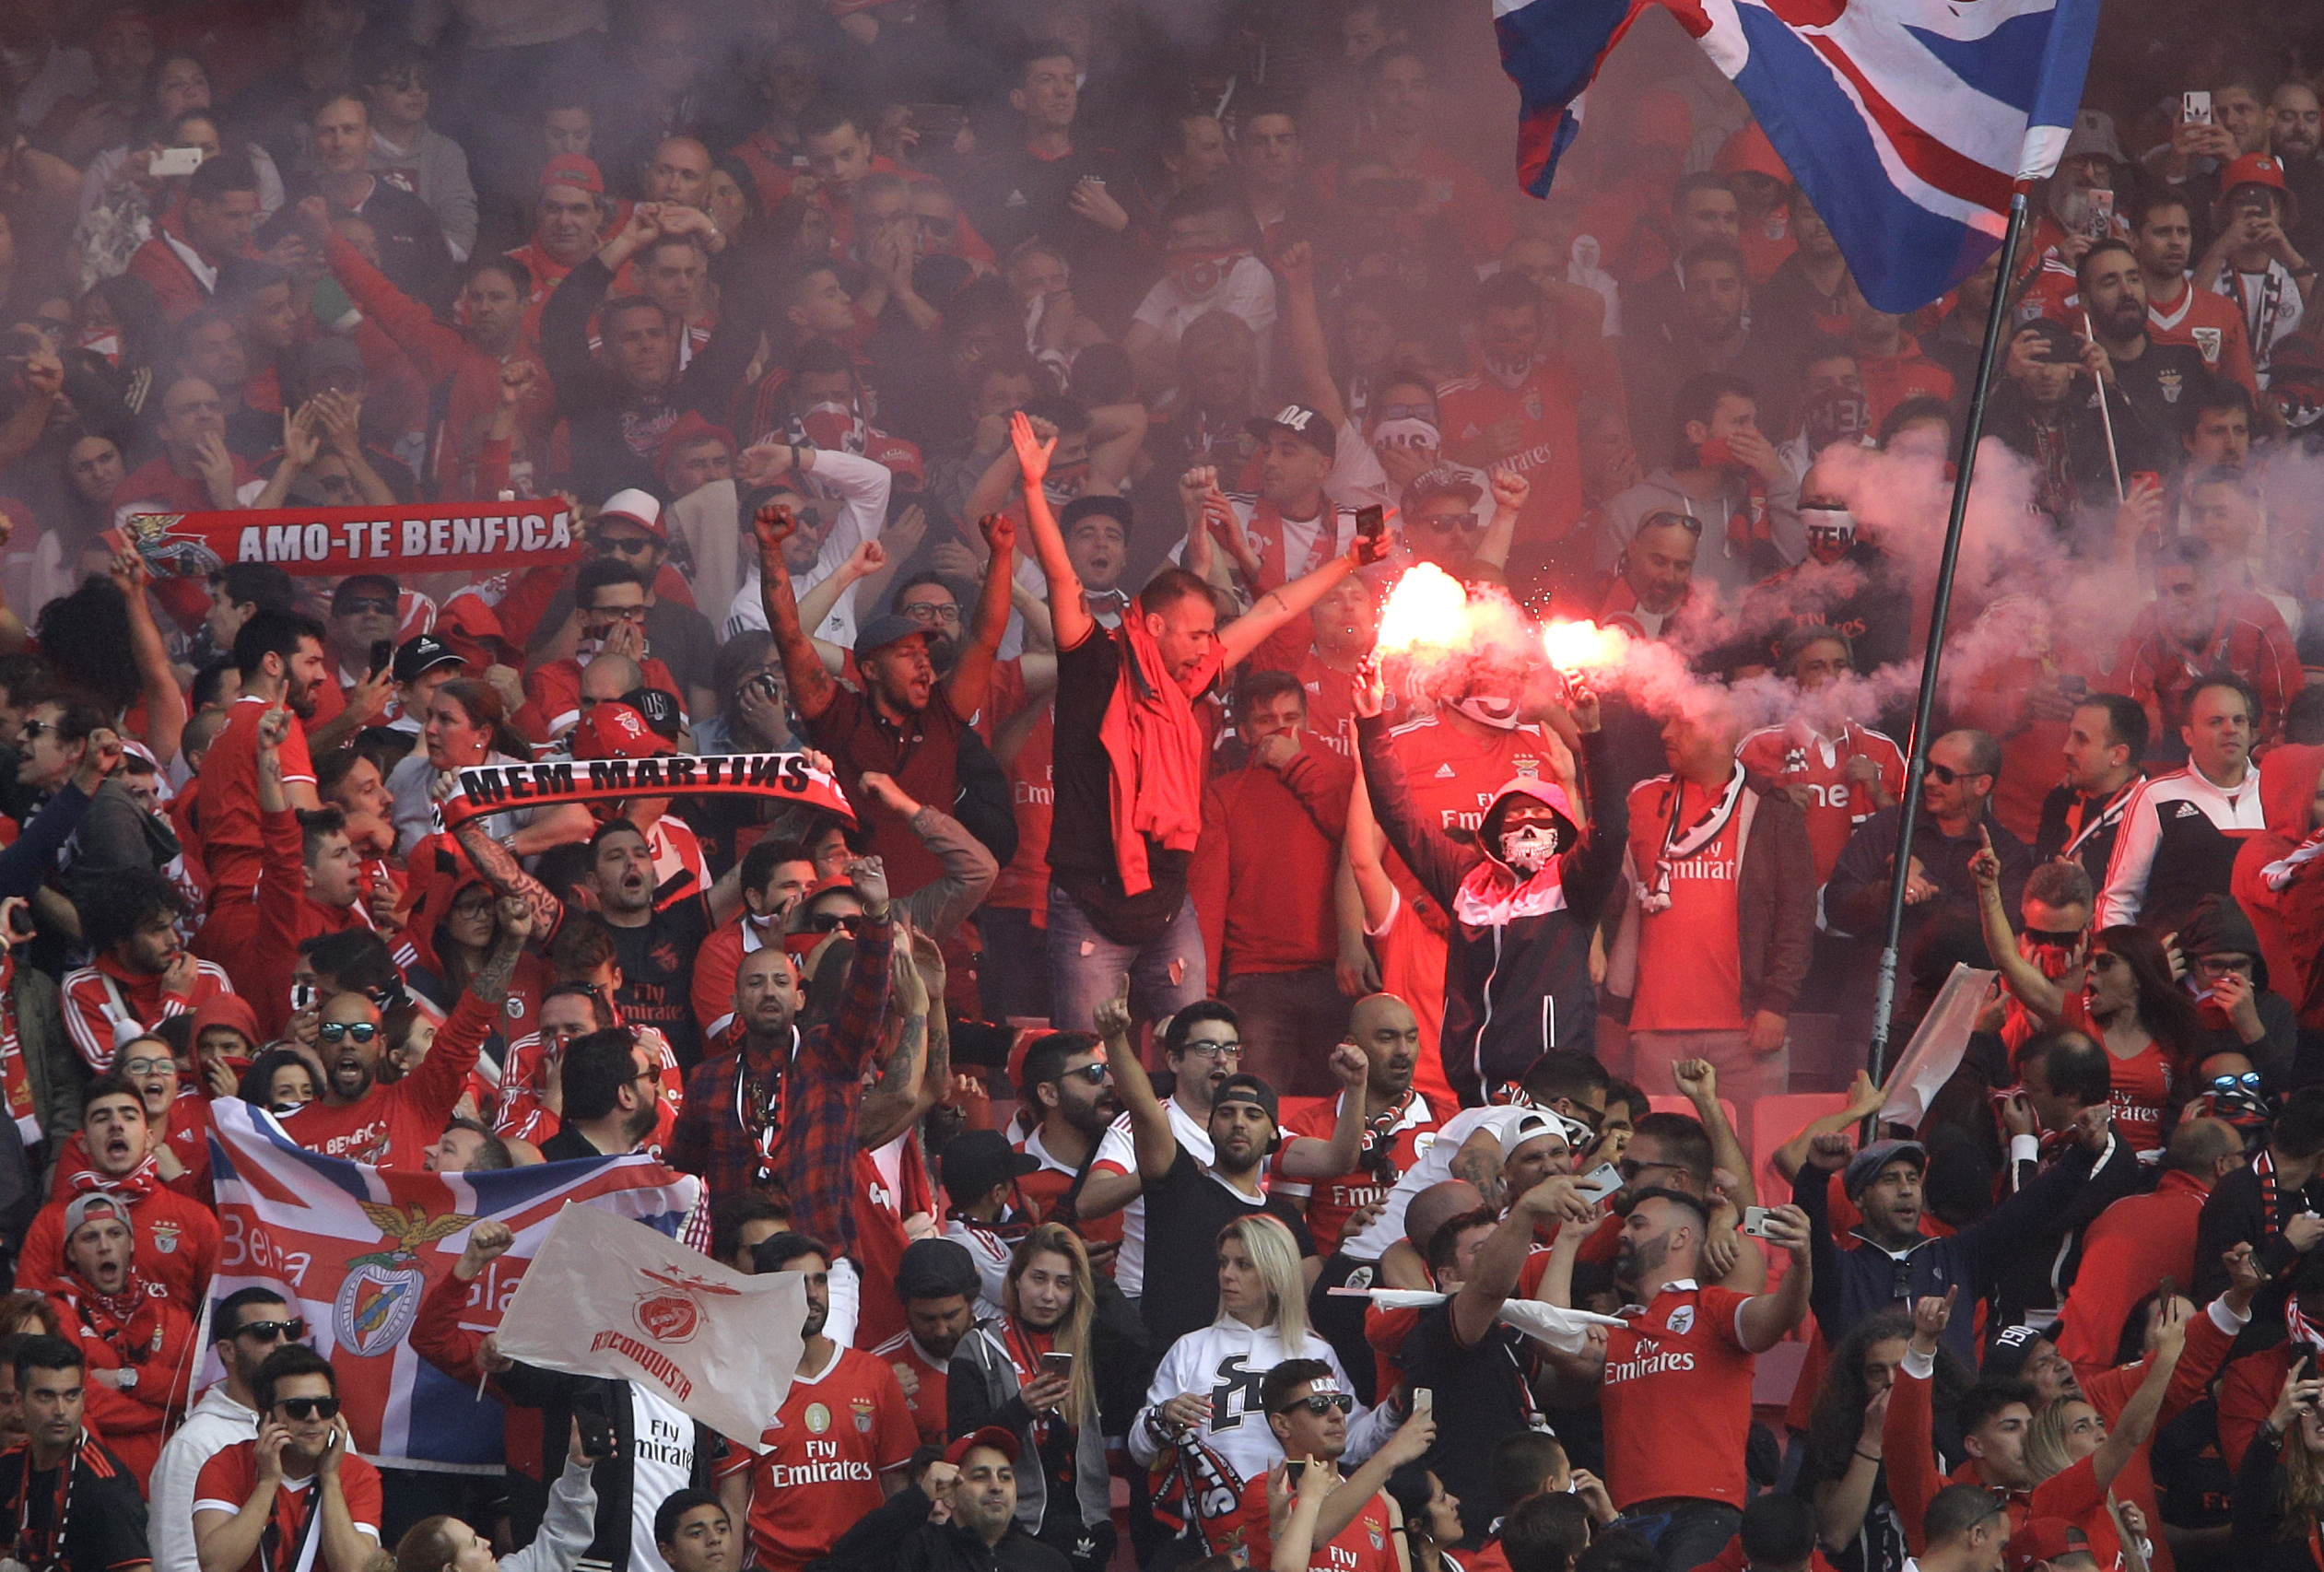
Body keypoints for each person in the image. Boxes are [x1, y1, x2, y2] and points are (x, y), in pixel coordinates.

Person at [1010, 410, 1388, 1034]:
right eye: (1197, 633)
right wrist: (1031, 489)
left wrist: (1349, 562)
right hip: (1088, 903)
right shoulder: (1094, 662)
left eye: (1212, 634)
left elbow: (1272, 608)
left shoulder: (1193, 674)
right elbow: (1059, 576)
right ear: (1153, 627)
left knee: (1204, 1053)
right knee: (1087, 1062)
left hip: (1166, 905)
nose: (1209, 646)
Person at [1352, 651, 1623, 1107]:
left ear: (1562, 833)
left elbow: (1611, 826)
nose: (1530, 826)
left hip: (1554, 1097)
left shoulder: (1573, 885)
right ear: (1494, 833)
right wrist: (1372, 721)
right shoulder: (1466, 882)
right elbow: (1399, 818)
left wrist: (1592, 735)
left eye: (1542, 817)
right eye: (1515, 818)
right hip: (1476, 1095)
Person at [1097, 974, 1363, 1344]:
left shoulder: (1282, 1217)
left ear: (1273, 1134)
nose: (1239, 1123)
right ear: (1208, 1129)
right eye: (1227, 1114)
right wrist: (1114, 1040)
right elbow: (1143, 1111)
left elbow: (1316, 1301)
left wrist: (1356, 1087)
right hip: (1168, 1358)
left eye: (1253, 1116)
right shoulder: (1179, 1183)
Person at [1130, 1214, 1395, 1557]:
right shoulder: (1190, 1348)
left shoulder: (1315, 1351)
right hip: (1207, 1540)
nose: (1227, 1274)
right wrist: (1164, 1416)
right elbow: (1139, 1449)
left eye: (1244, 1265)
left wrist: (1393, 1411)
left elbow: (1353, 1441)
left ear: (1275, 1274)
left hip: (1297, 1532)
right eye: (1223, 1262)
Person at [1609, 705, 1815, 1130]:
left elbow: (1797, 916)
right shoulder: (1643, 800)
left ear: (1719, 728)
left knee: (1747, 1159)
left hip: (1747, 1028)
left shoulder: (1772, 808)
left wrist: (1776, 1004)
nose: (1665, 733)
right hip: (1655, 1026)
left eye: (1681, 723)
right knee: (1663, 1161)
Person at [1190, 671, 1359, 1095]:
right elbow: (1209, 900)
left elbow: (1358, 841)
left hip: (1334, 976)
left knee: (1339, 1112)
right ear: (1244, 731)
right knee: (1255, 1113)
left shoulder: (1342, 775)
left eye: (1292, 716)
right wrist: (1208, 991)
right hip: (1255, 981)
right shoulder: (1225, 794)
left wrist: (1297, 766)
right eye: (1266, 720)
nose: (1283, 727)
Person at [720, 1233, 918, 1572]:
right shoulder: (742, 1384)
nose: (812, 1295)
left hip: (865, 1564)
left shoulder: (875, 1375)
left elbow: (898, 1490)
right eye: (798, 1283)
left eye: (820, 1281)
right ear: (769, 1292)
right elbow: (732, 1507)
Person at [276, 898, 526, 1167]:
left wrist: (511, 944)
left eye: (361, 1032)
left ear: (382, 1045)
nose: (347, 1042)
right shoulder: (285, 1135)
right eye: (334, 1032)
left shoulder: (418, 1101)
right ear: (320, 1044)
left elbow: (467, 1026)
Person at [947, 1225, 1115, 1572]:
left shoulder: (1090, 1342)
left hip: (1084, 1517)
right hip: (1015, 1522)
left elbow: (1138, 1344)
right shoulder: (977, 1346)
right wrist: (1020, 1410)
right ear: (1016, 1279)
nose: (1049, 1295)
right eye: (1038, 1279)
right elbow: (962, 1442)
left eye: (1063, 1283)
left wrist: (1094, 1284)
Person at [17, 1076, 219, 1313]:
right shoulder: (52, 1221)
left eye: (129, 1116)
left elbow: (222, 1316)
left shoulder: (196, 1219)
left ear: (149, 1138)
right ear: (83, 1144)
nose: (116, 1125)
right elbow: (24, 1321)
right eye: (102, 1118)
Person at [2098, 675, 2269, 935]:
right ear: (2188, 735)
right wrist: (2129, 966)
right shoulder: (2156, 795)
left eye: (2239, 720)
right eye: (2216, 721)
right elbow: (2119, 899)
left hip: (2263, 967)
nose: (2230, 729)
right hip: (2179, 968)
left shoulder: (2276, 791)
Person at [148, 1289, 304, 1572]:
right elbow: (179, 1561)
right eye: (265, 1332)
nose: (283, 1343)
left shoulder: (321, 1423)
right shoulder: (195, 1443)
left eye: (291, 1330)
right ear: (227, 1350)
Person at [193, 1345, 381, 1572]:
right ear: (266, 1414)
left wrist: (330, 1480)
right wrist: (267, 1482)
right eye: (298, 1408)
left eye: (325, 1406)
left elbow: (357, 1569)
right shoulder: (226, 1465)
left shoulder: (359, 1475)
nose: (314, 1417)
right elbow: (216, 1565)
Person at [816, 1428, 1071, 1572]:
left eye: (1005, 1477)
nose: (996, 1487)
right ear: (949, 1492)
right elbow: (843, 1560)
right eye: (980, 1476)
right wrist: (919, 1498)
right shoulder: (920, 1553)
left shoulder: (1047, 1562)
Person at [0, 1335, 152, 1572]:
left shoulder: (106, 1487)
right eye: (46, 1396)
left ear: (83, 1400)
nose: (60, 1410)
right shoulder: (8, 1466)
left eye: (70, 1396)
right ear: (19, 1403)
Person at [2033, 694, 2148, 891]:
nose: (2066, 749)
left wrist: (2085, 892)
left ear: (2117, 755)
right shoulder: (2060, 799)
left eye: (2081, 739)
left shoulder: (2151, 816)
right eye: (2069, 735)